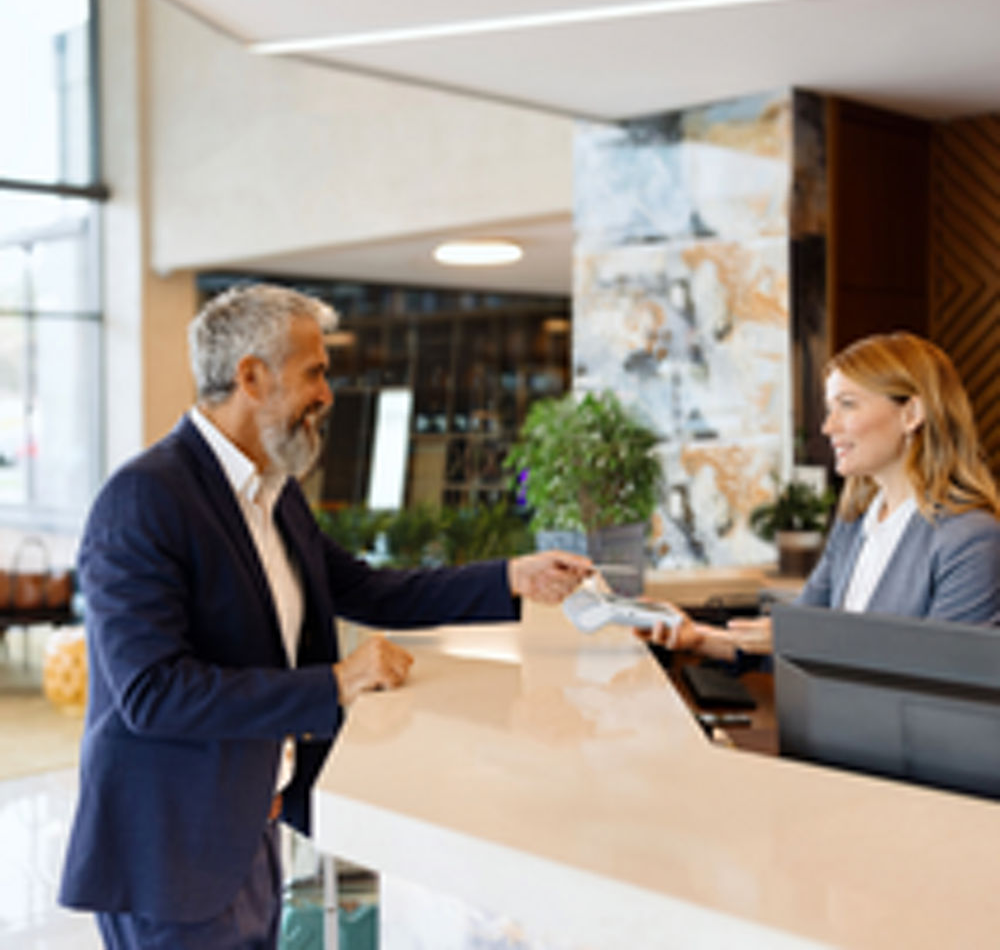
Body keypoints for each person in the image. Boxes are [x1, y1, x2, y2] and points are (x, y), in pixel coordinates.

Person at [59, 284, 591, 949]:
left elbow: (371, 591)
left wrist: (513, 577)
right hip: (172, 850)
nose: (328, 394)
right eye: (315, 371)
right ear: (251, 376)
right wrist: (335, 683)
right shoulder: (144, 498)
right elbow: (152, 693)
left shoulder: (272, 493)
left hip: (249, 824)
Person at [648, 331, 1000, 660]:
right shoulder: (855, 525)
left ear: (911, 414)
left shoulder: (970, 539)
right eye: (831, 408)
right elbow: (793, 635)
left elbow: (943, 673)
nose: (828, 427)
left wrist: (807, 640)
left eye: (847, 405)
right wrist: (698, 637)